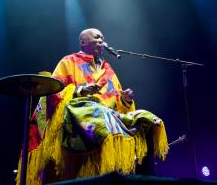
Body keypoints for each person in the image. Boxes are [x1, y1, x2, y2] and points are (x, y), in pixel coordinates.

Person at [19, 28, 168, 184]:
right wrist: (80, 90)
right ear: (83, 42)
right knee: (99, 113)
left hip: (108, 116)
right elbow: (53, 92)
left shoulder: (108, 70)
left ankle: (145, 180)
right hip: (78, 114)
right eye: (97, 37)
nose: (102, 40)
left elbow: (117, 103)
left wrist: (125, 100)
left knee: (148, 120)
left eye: (103, 38)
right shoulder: (69, 61)